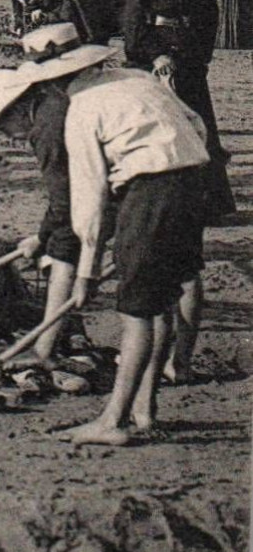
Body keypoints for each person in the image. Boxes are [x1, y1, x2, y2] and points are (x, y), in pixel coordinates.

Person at [40, 54, 208, 445]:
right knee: (162, 299)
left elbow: (90, 198)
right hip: (192, 179)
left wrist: (86, 272)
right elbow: (196, 122)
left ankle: (113, 421)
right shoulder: (137, 78)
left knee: (137, 310)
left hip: (151, 187)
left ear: (55, 84)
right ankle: (144, 411)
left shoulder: (80, 110)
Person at [0, 24, 107, 367]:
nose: (11, 139)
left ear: (17, 110)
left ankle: (44, 349)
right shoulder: (61, 100)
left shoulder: (47, 125)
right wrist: (41, 236)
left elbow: (64, 200)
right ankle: (178, 359)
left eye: (5, 129)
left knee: (64, 246)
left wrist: (44, 237)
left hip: (121, 178)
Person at [122, 0, 236, 221]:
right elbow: (132, 17)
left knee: (199, 127)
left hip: (189, 58)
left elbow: (209, 16)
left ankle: (209, 204)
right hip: (152, 58)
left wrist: (200, 56)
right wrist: (155, 55)